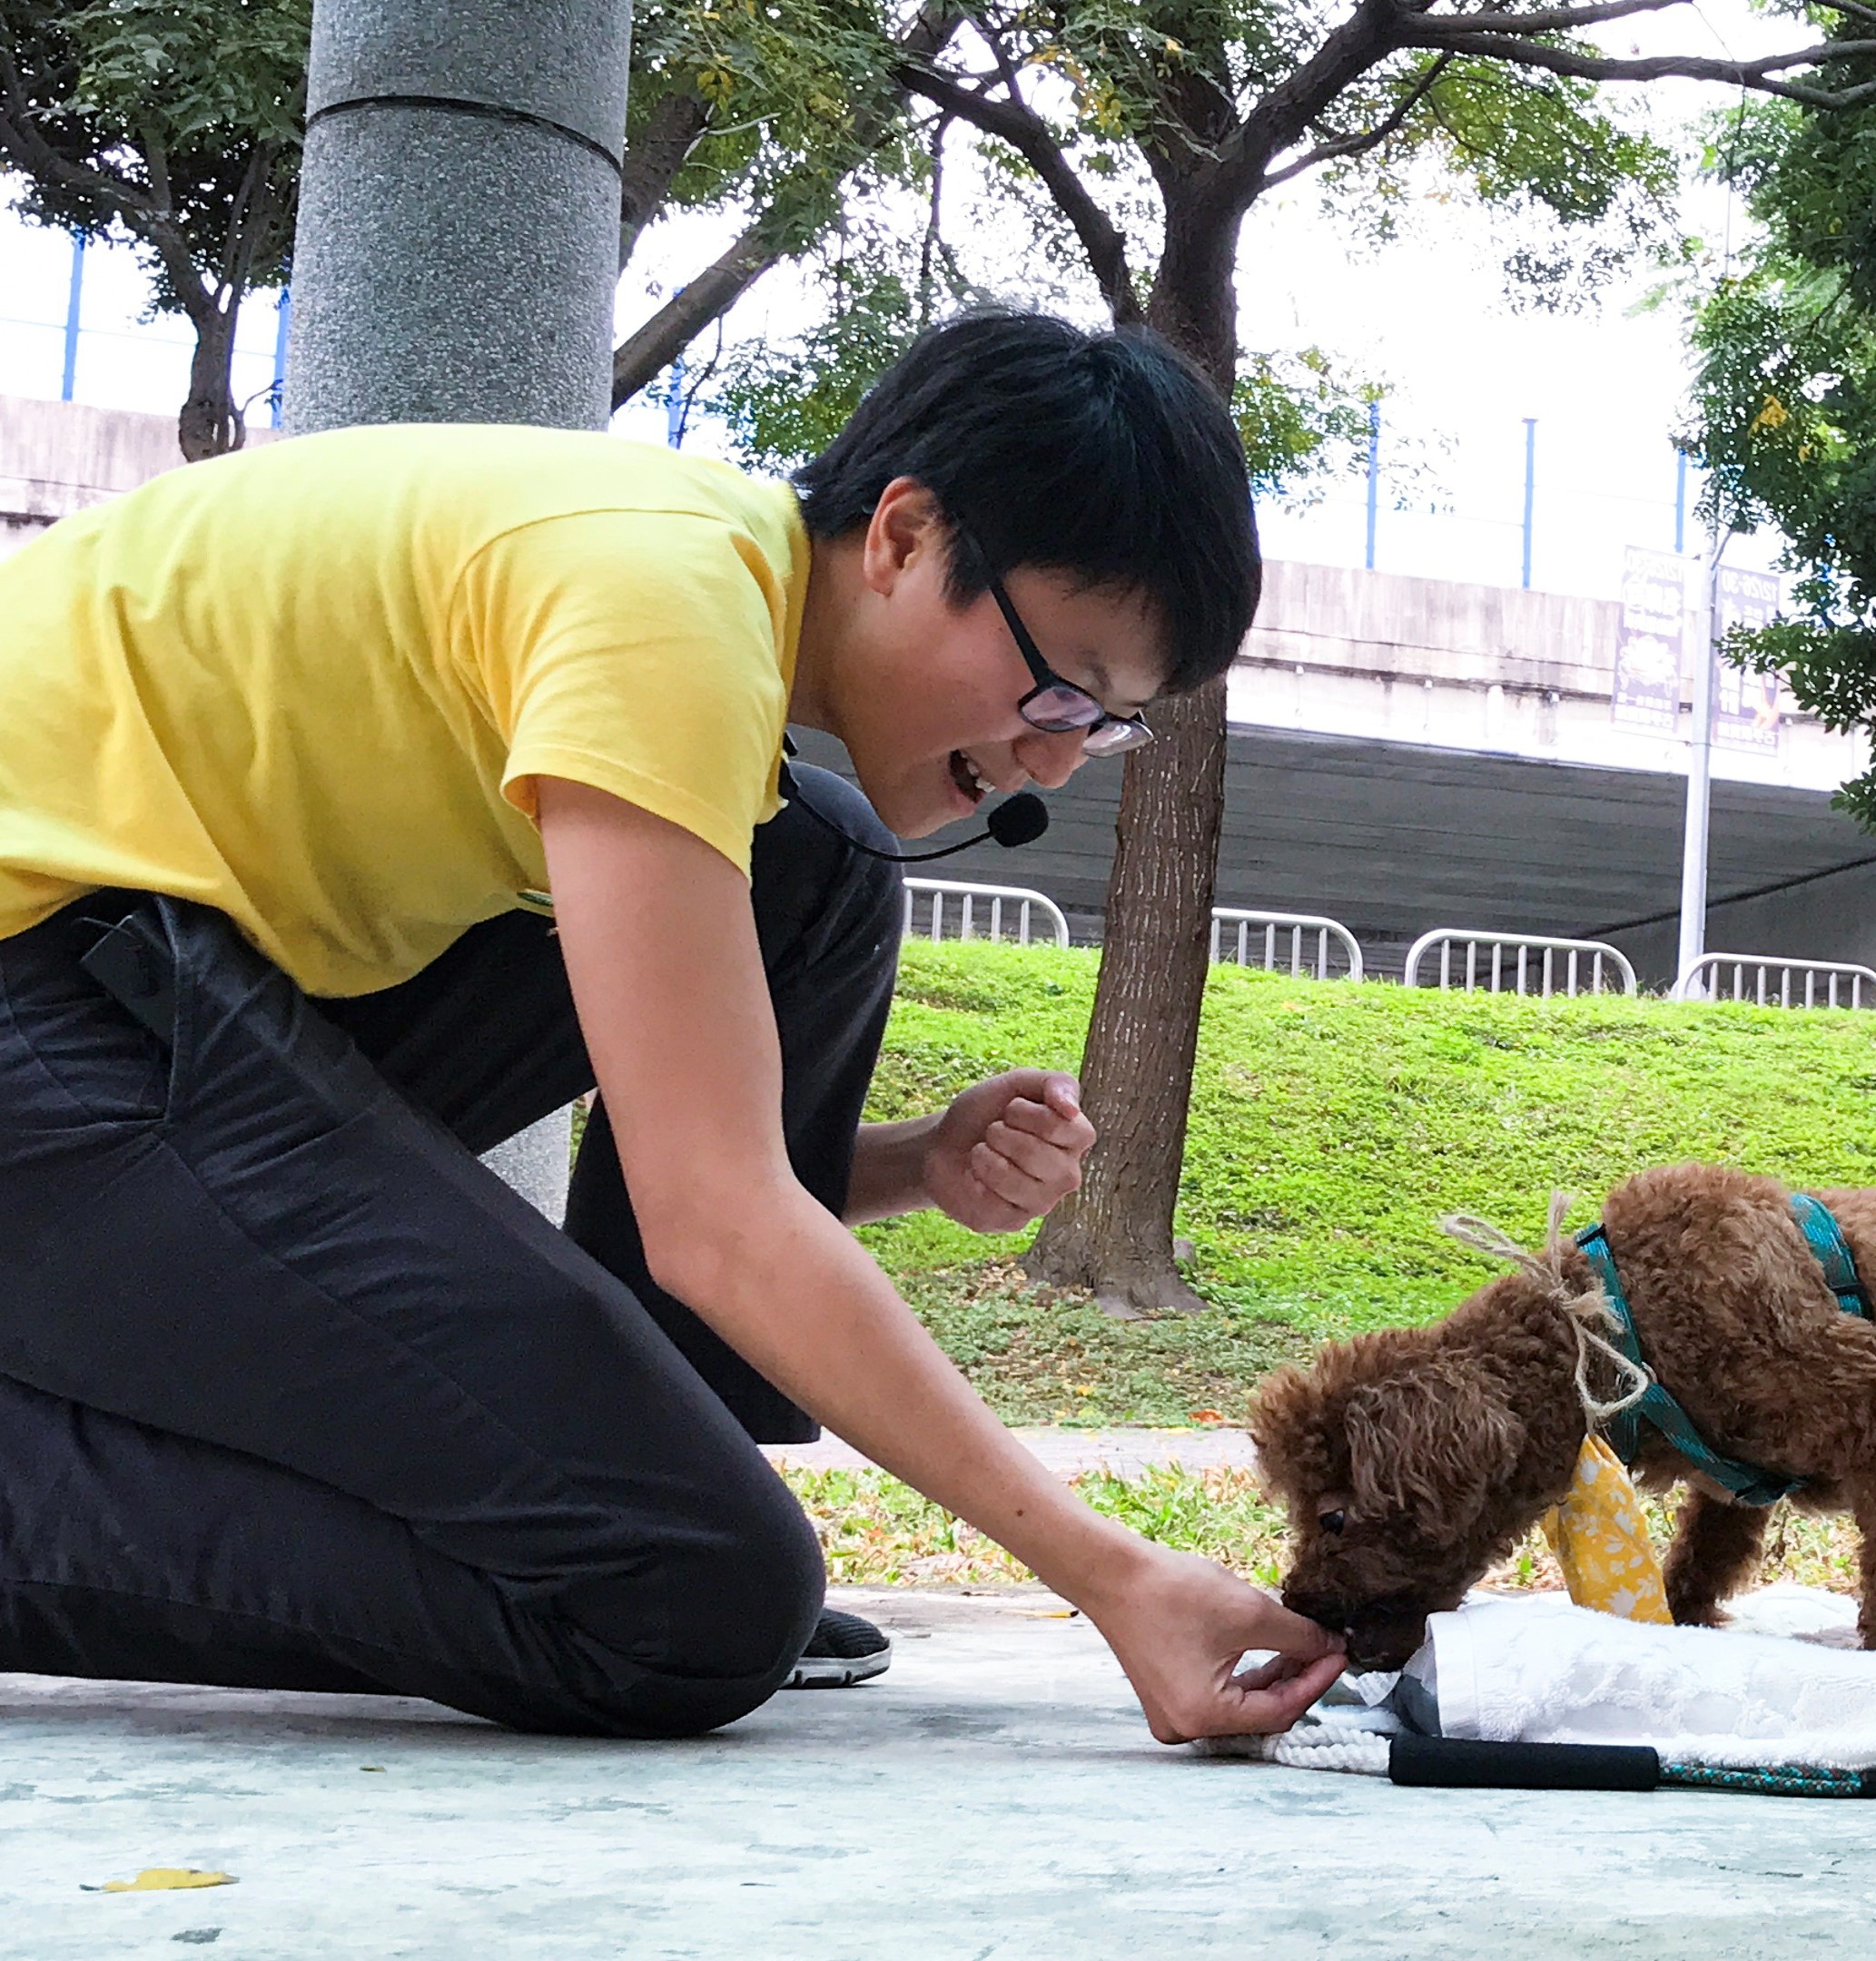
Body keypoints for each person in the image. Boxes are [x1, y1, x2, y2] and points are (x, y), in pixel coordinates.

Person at [0, 309, 1345, 1740]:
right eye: (1058, 686)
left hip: (160, 978)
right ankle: (643, 1524)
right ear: (901, 536)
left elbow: (689, 1143)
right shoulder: (660, 607)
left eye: (1108, 724)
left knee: (811, 864)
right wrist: (1114, 1574)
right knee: (681, 1598)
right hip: (50, 995)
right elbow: (713, 1214)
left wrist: (904, 1165)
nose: (1056, 758)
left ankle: (665, 1469)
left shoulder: (702, 584)